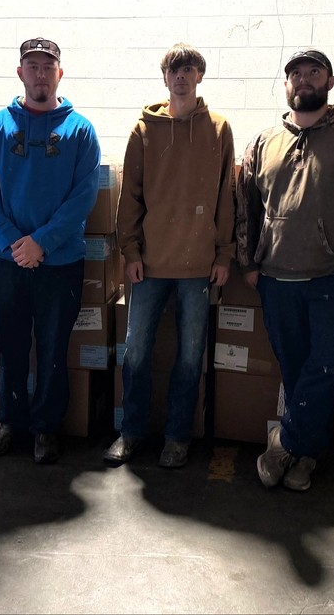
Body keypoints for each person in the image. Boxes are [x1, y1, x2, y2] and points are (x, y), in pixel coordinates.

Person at [236, 48, 334, 492]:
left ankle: (284, 441)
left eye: (314, 72)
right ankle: (307, 457)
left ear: (330, 82)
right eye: (295, 74)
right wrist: (249, 264)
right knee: (295, 368)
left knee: (324, 368)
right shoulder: (262, 142)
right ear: (286, 85)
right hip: (277, 279)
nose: (304, 79)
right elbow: (245, 207)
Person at [104, 43, 235, 468]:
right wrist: (130, 250)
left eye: (189, 69)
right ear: (165, 78)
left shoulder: (218, 128)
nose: (181, 76)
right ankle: (132, 432)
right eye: (174, 70)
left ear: (200, 76)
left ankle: (178, 436)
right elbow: (131, 198)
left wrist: (224, 255)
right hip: (150, 265)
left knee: (189, 355)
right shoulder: (145, 129)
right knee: (136, 352)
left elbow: (226, 197)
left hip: (198, 266)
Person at [0, 38, 101, 465]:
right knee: (10, 346)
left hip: (59, 261)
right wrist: (15, 242)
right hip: (6, 260)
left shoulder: (80, 129)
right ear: (20, 72)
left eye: (48, 66)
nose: (40, 73)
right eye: (33, 65)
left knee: (51, 347)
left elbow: (83, 196)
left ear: (60, 74)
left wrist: (42, 242)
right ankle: (10, 423)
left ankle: (47, 429)